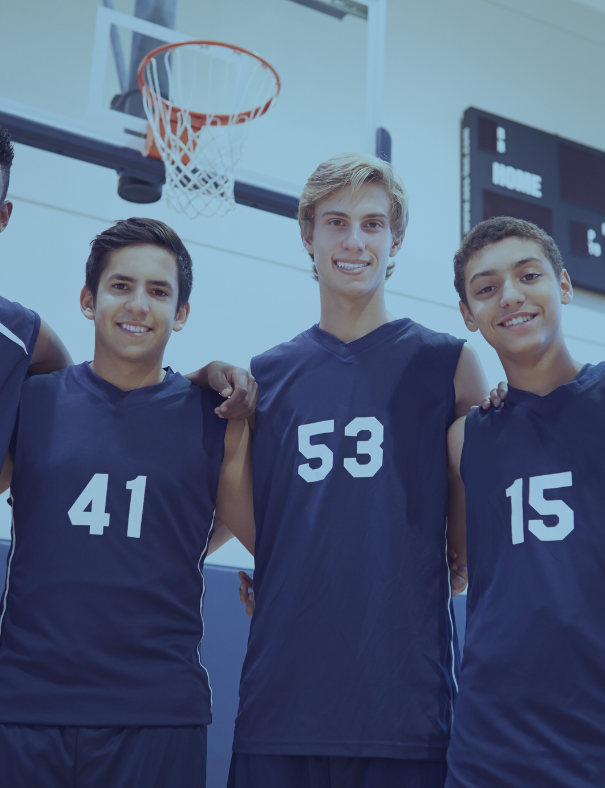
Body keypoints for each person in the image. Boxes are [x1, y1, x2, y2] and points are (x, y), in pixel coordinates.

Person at [0, 110, 253, 788]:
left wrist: (199, 382)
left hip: (133, 710)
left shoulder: (26, 349)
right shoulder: (38, 387)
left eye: (158, 291)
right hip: (23, 704)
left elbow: (204, 505)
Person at [0, 218, 256, 788]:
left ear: (183, 312)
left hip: (157, 717)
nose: (139, 305)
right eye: (121, 286)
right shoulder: (30, 402)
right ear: (88, 300)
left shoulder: (214, 417)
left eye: (159, 291)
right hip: (24, 707)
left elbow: (264, 539)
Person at [228, 153, 490, 788]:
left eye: (372, 225)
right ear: (307, 235)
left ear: (393, 240)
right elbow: (250, 517)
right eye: (336, 222)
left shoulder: (449, 364)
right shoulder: (267, 375)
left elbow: (464, 550)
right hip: (282, 699)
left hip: (403, 706)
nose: (354, 241)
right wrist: (295, 570)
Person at [444, 217, 605, 788]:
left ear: (562, 285)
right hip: (492, 743)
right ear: (469, 315)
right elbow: (457, 565)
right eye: (486, 288)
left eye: (528, 275)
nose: (509, 296)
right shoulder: (467, 437)